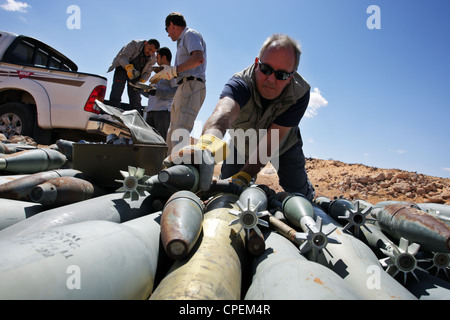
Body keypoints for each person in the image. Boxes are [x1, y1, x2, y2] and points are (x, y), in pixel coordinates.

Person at [164, 33, 315, 201]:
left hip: (283, 146)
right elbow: (223, 113)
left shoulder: (300, 93)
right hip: (242, 142)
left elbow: (272, 140)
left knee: (300, 195)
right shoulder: (240, 83)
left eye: (281, 75)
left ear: (291, 76)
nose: (271, 79)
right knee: (224, 193)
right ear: (257, 63)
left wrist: (246, 175)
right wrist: (206, 147)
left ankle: (310, 195)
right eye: (266, 70)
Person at [150, 12, 207, 154]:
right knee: (172, 131)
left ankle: (178, 172)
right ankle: (168, 169)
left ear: (171, 25)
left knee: (180, 130)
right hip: (184, 85)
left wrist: (174, 71)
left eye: (167, 29)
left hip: (192, 85)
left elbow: (198, 58)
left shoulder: (190, 34)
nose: (168, 34)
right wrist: (168, 71)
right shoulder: (182, 41)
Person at [107, 38, 160, 112]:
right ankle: (113, 112)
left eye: (153, 51)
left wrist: (141, 81)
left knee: (135, 96)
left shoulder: (153, 58)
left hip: (136, 74)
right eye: (149, 49)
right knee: (117, 90)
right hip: (122, 67)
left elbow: (148, 72)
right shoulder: (134, 44)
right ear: (146, 43)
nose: (150, 52)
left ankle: (136, 115)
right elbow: (122, 57)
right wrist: (128, 68)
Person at [143, 47, 177, 142]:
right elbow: (152, 93)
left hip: (162, 112)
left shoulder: (171, 72)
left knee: (160, 142)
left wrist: (157, 92)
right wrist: (141, 90)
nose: (156, 61)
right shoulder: (157, 74)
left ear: (164, 57)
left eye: (158, 58)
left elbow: (176, 92)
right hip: (150, 111)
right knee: (148, 141)